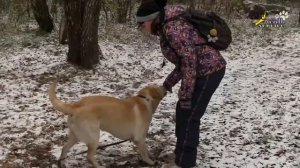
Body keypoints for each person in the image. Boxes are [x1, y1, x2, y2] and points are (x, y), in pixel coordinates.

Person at [136, 0, 227, 167]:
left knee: (190, 116)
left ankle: (185, 162)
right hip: (200, 70)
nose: (142, 28)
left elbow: (189, 61)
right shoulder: (167, 26)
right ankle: (181, 152)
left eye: (142, 24)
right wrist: (167, 85)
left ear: (152, 19)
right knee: (182, 112)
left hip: (210, 71)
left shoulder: (172, 28)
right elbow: (183, 62)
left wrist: (185, 94)